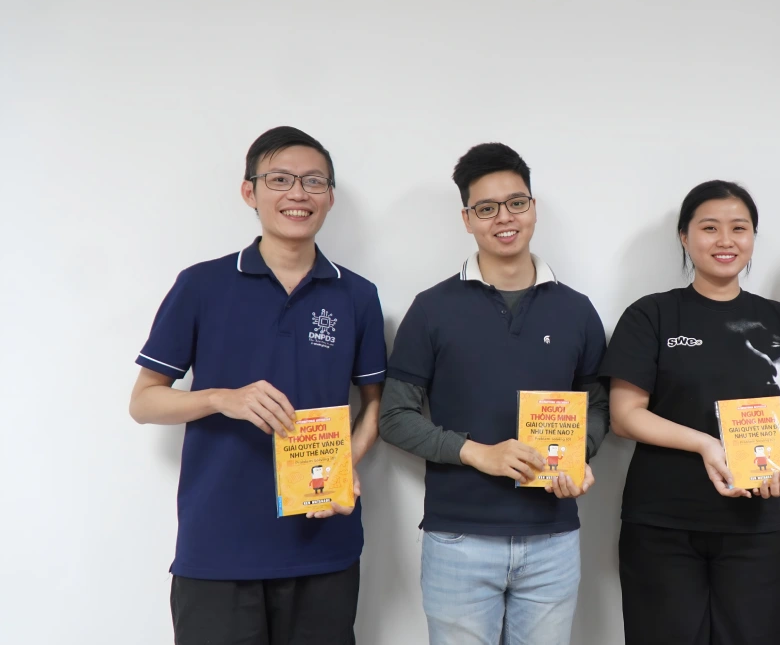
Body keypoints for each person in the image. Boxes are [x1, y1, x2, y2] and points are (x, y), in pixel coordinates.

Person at [128, 126, 387, 645]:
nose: (298, 193)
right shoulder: (201, 285)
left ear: (330, 197)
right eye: (280, 179)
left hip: (323, 543)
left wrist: (344, 469)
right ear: (250, 192)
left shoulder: (357, 295)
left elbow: (374, 405)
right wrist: (223, 398)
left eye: (314, 181)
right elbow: (143, 401)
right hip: (218, 548)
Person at [378, 142, 610, 645]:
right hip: (458, 538)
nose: (504, 218)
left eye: (516, 203)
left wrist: (578, 451)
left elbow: (598, 401)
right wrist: (477, 453)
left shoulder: (576, 310)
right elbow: (394, 416)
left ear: (533, 208)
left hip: (552, 536)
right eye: (486, 208)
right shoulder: (432, 308)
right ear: (467, 219)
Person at [600, 180, 780, 645]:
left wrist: (776, 455)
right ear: (685, 237)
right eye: (709, 228)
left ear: (752, 238)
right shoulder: (652, 316)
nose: (725, 241)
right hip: (662, 525)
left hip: (757, 527)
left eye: (739, 228)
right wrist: (706, 444)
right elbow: (625, 415)